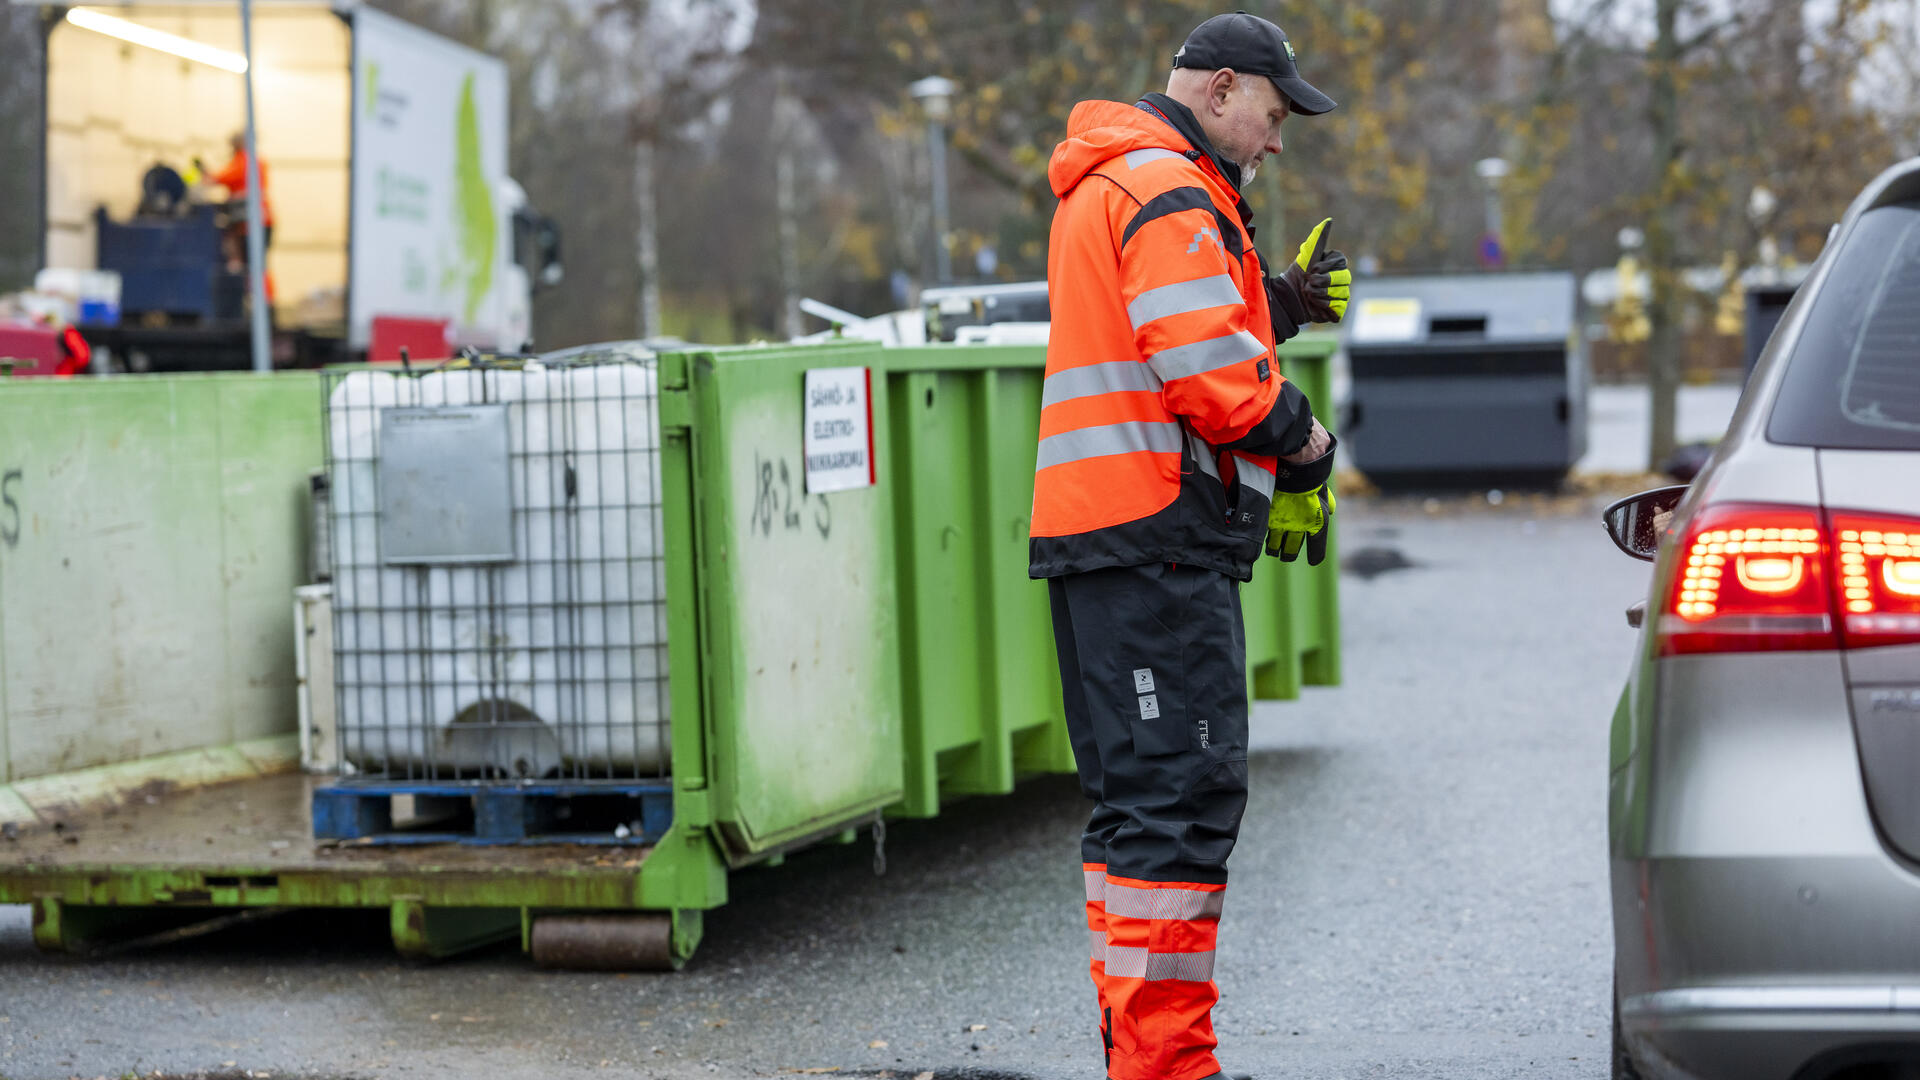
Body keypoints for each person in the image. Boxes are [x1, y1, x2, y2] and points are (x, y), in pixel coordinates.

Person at [1030, 12, 1351, 1080]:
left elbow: (1163, 325)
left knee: (1133, 813)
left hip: (1102, 541)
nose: (1277, 138)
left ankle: (1139, 1057)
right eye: (1272, 113)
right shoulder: (1168, 187)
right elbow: (1211, 380)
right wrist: (1306, 446)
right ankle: (1169, 1069)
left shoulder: (1115, 178)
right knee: (1181, 807)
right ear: (1220, 90)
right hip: (1160, 544)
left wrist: (1277, 304)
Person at [196, 132, 275, 300]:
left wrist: (205, 175)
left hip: (252, 223)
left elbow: (221, 178)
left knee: (255, 265)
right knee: (255, 264)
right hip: (255, 222)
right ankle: (260, 302)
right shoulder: (254, 161)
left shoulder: (245, 161)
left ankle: (262, 303)